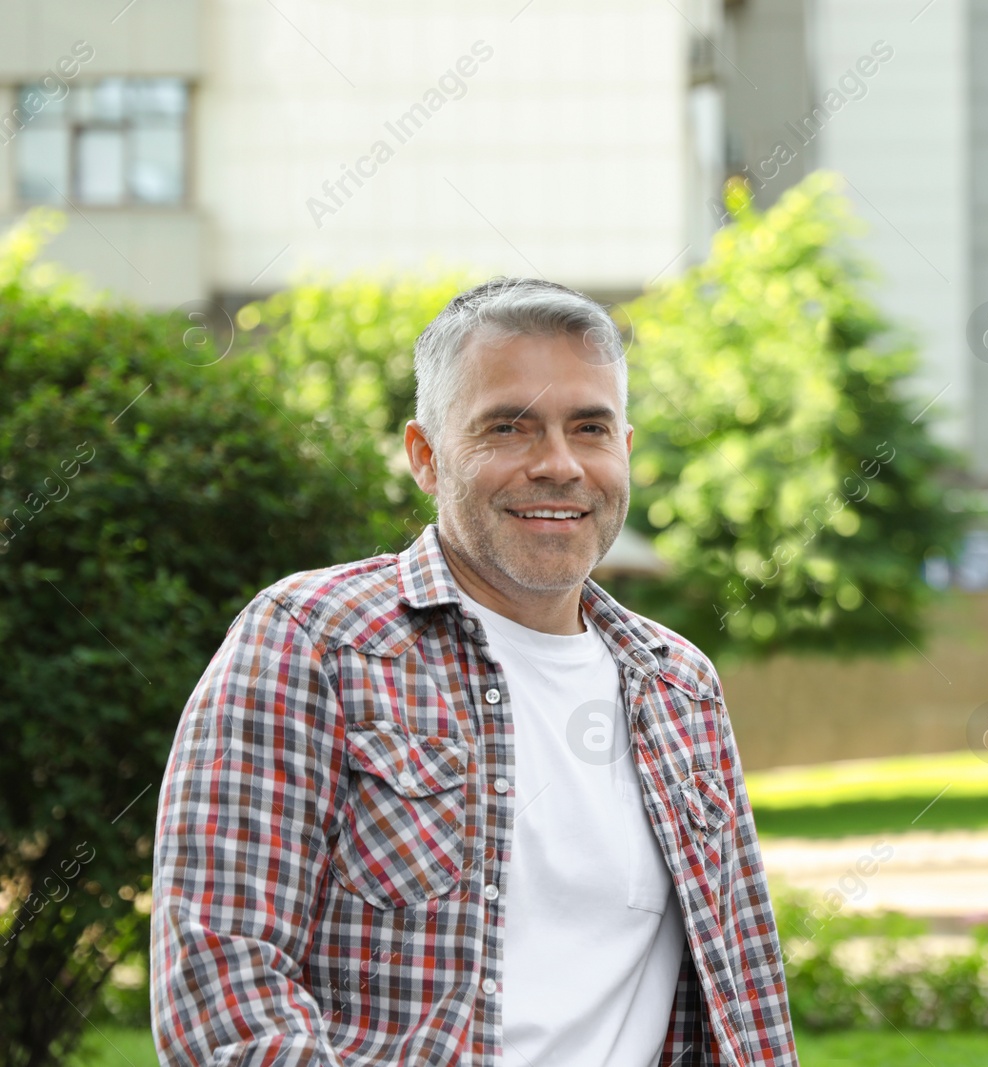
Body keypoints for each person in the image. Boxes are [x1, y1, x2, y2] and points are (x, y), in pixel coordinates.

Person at [150, 278, 797, 1066]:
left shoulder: (679, 686)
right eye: (509, 428)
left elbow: (748, 997)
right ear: (426, 456)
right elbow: (222, 985)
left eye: (588, 428)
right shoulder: (312, 642)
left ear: (623, 451)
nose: (559, 465)